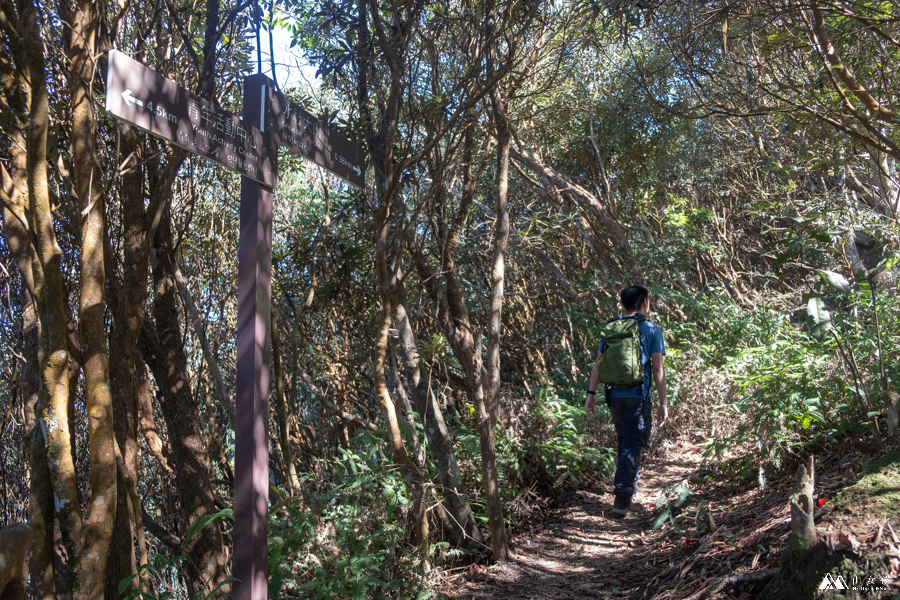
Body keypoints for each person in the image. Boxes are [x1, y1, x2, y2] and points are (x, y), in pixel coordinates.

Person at [585, 285, 668, 517]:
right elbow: (658, 370)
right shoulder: (651, 329)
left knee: (625, 442)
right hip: (638, 397)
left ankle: (628, 495)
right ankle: (621, 500)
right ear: (644, 303)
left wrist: (590, 395)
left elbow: (598, 364)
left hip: (614, 396)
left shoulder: (611, 328)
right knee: (633, 444)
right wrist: (663, 402)